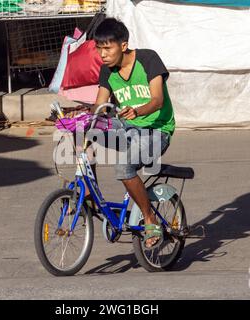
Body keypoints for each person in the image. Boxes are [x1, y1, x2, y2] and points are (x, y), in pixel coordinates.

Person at [71, 17, 176, 249]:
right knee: (82, 129)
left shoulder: (148, 59)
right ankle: (88, 193)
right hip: (127, 128)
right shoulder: (107, 71)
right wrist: (78, 114)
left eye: (107, 48)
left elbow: (157, 100)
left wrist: (137, 111)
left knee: (124, 167)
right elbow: (99, 107)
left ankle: (149, 219)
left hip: (156, 131)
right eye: (99, 49)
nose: (103, 54)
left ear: (123, 45)